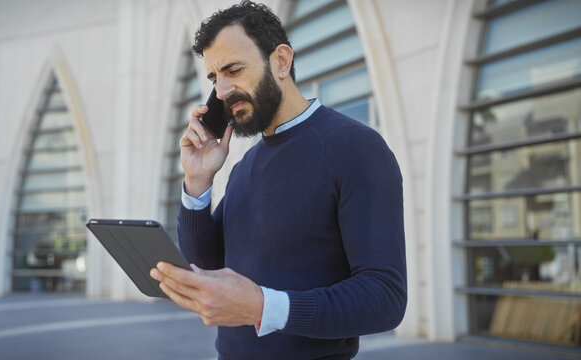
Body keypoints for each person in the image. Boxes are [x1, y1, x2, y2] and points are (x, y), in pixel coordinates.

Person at [150, 1, 407, 358]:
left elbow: (385, 298)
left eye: (233, 70)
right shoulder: (245, 165)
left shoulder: (355, 148)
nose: (222, 91)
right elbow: (207, 267)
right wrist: (197, 181)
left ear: (281, 61)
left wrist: (262, 307)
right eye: (214, 78)